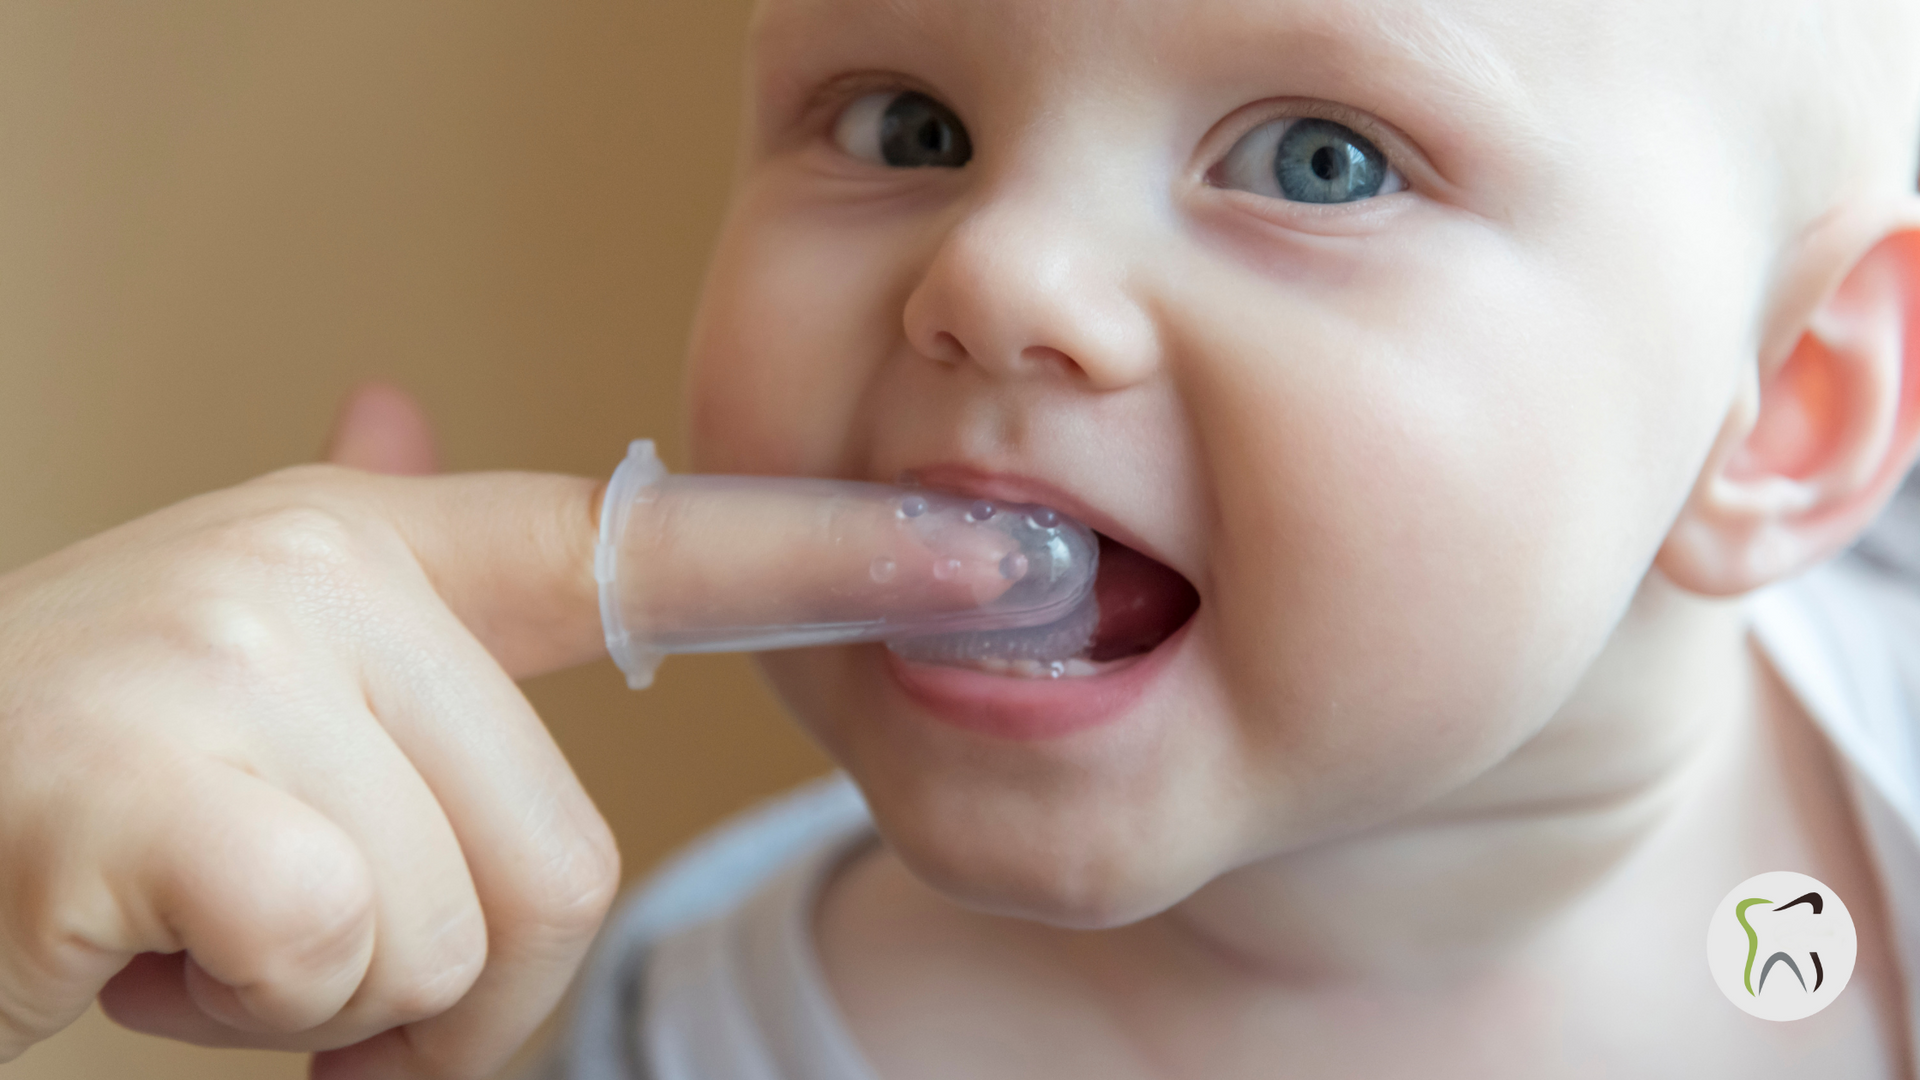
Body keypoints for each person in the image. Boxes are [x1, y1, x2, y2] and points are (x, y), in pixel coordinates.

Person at [5, 0, 1920, 1076]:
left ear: (1794, 406)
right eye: (909, 122)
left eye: (1317, 160)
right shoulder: (690, 1044)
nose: (993, 271)